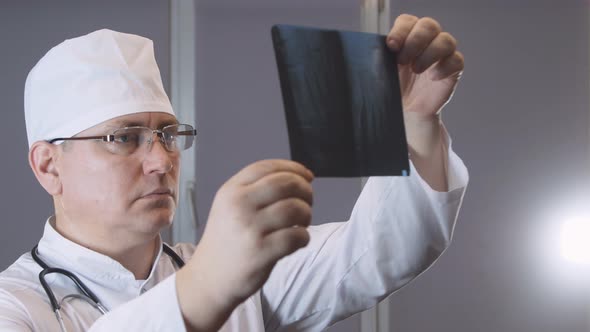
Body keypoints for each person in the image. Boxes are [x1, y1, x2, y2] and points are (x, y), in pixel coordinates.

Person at [0, 13, 468, 332]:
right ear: (48, 166)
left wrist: (414, 122)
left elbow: (378, 252)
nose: (162, 161)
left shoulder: (231, 269)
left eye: (168, 134)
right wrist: (202, 289)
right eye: (122, 138)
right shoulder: (16, 305)